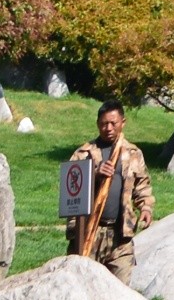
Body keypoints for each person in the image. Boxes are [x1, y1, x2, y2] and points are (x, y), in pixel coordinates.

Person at [61, 106, 153, 279]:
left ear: (123, 123)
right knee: (84, 284)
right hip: (88, 233)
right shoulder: (83, 154)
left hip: (120, 236)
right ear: (97, 124)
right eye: (104, 124)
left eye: (113, 123)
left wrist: (146, 208)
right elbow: (71, 189)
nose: (108, 128)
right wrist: (94, 174)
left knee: (121, 289)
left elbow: (142, 185)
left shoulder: (133, 153)